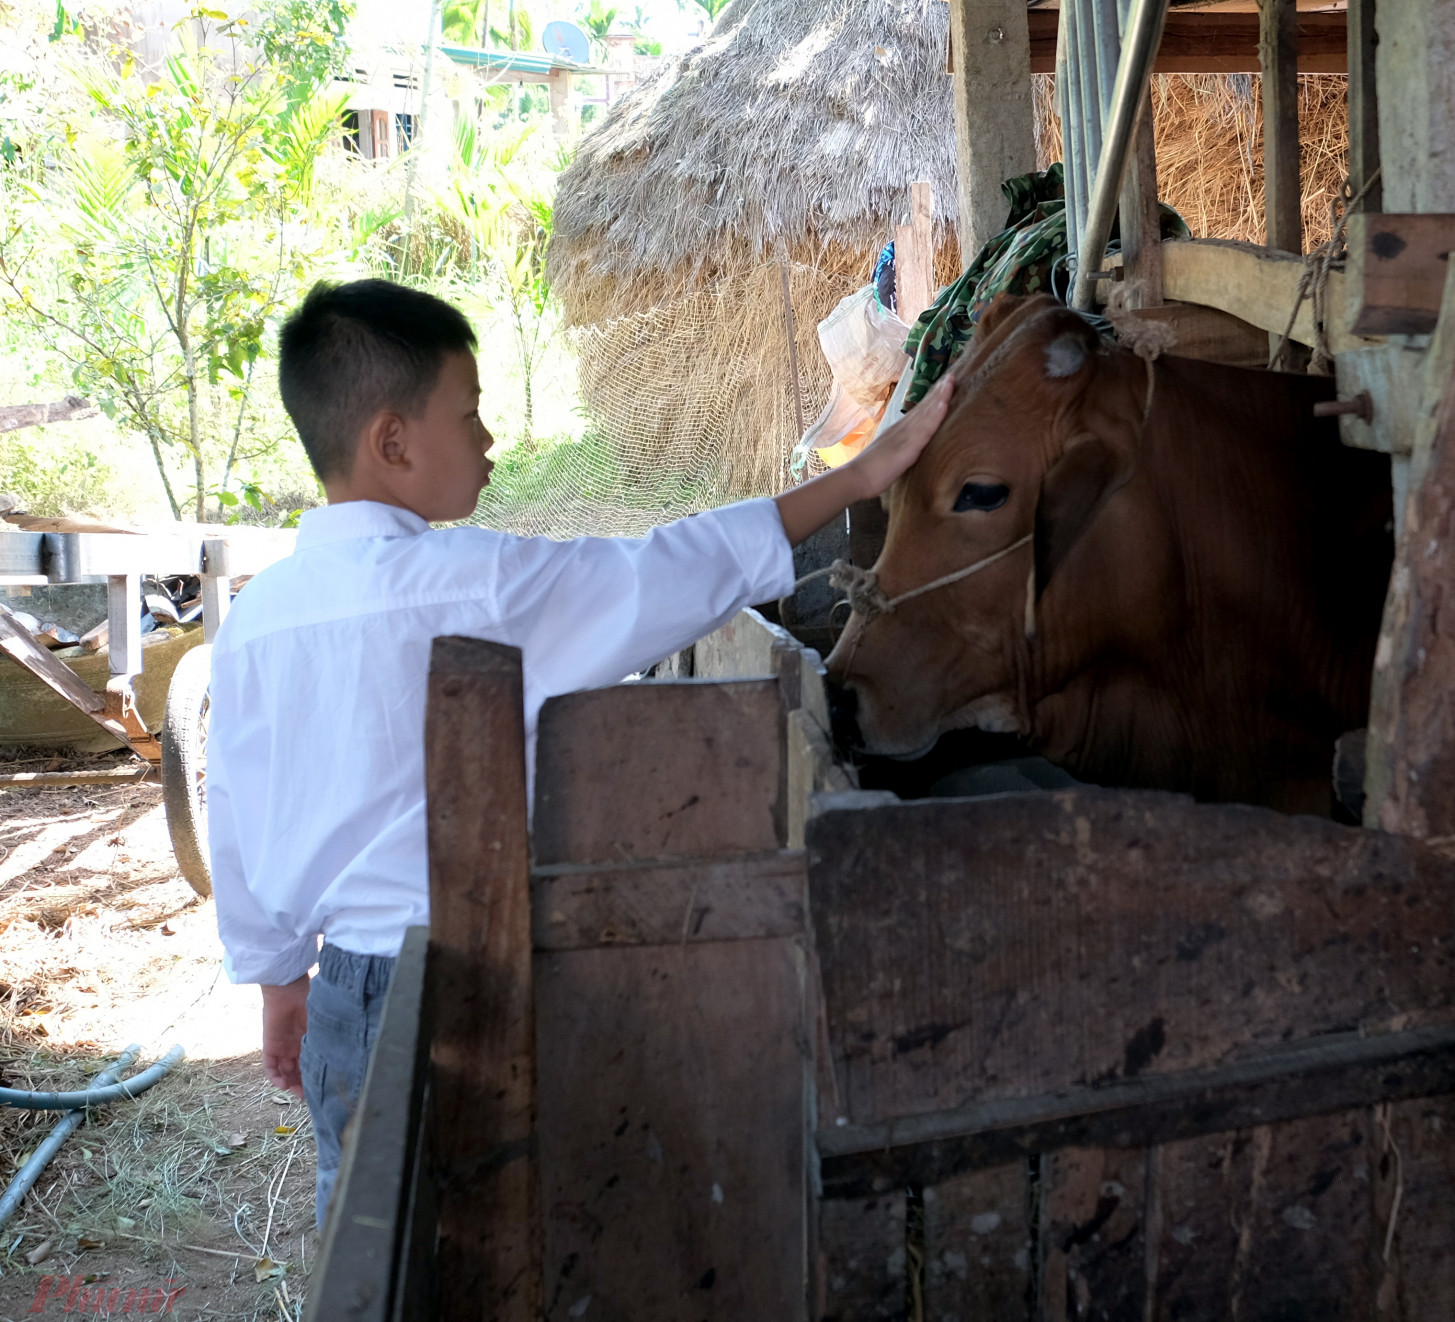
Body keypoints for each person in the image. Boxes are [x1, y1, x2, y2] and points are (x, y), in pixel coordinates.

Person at [206, 279, 954, 1227]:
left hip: (351, 985)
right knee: (523, 1220)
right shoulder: (475, 585)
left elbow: (234, 811)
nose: (488, 441)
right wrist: (855, 476)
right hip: (486, 971)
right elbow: (662, 571)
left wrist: (279, 980)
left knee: (370, 1231)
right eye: (469, 416)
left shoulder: (256, 622)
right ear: (392, 441)